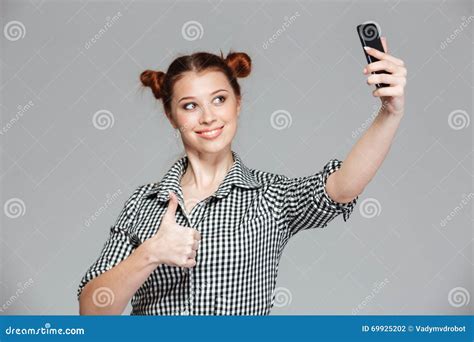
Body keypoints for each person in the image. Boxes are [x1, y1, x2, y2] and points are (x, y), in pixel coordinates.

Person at [78, 39, 407, 315]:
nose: (208, 117)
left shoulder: (270, 196)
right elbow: (92, 311)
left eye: (219, 100)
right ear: (171, 116)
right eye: (190, 106)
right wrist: (150, 253)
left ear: (238, 103)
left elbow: (341, 187)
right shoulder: (143, 203)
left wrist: (389, 113)